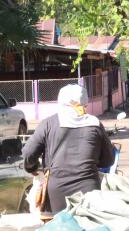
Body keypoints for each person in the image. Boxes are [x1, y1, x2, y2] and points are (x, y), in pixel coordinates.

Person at [21, 83, 115, 218]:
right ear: (85, 104)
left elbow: (28, 154)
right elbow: (109, 160)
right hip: (89, 196)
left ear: (60, 102)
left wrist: (33, 168)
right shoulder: (95, 124)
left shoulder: (48, 123)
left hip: (55, 198)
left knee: (56, 230)